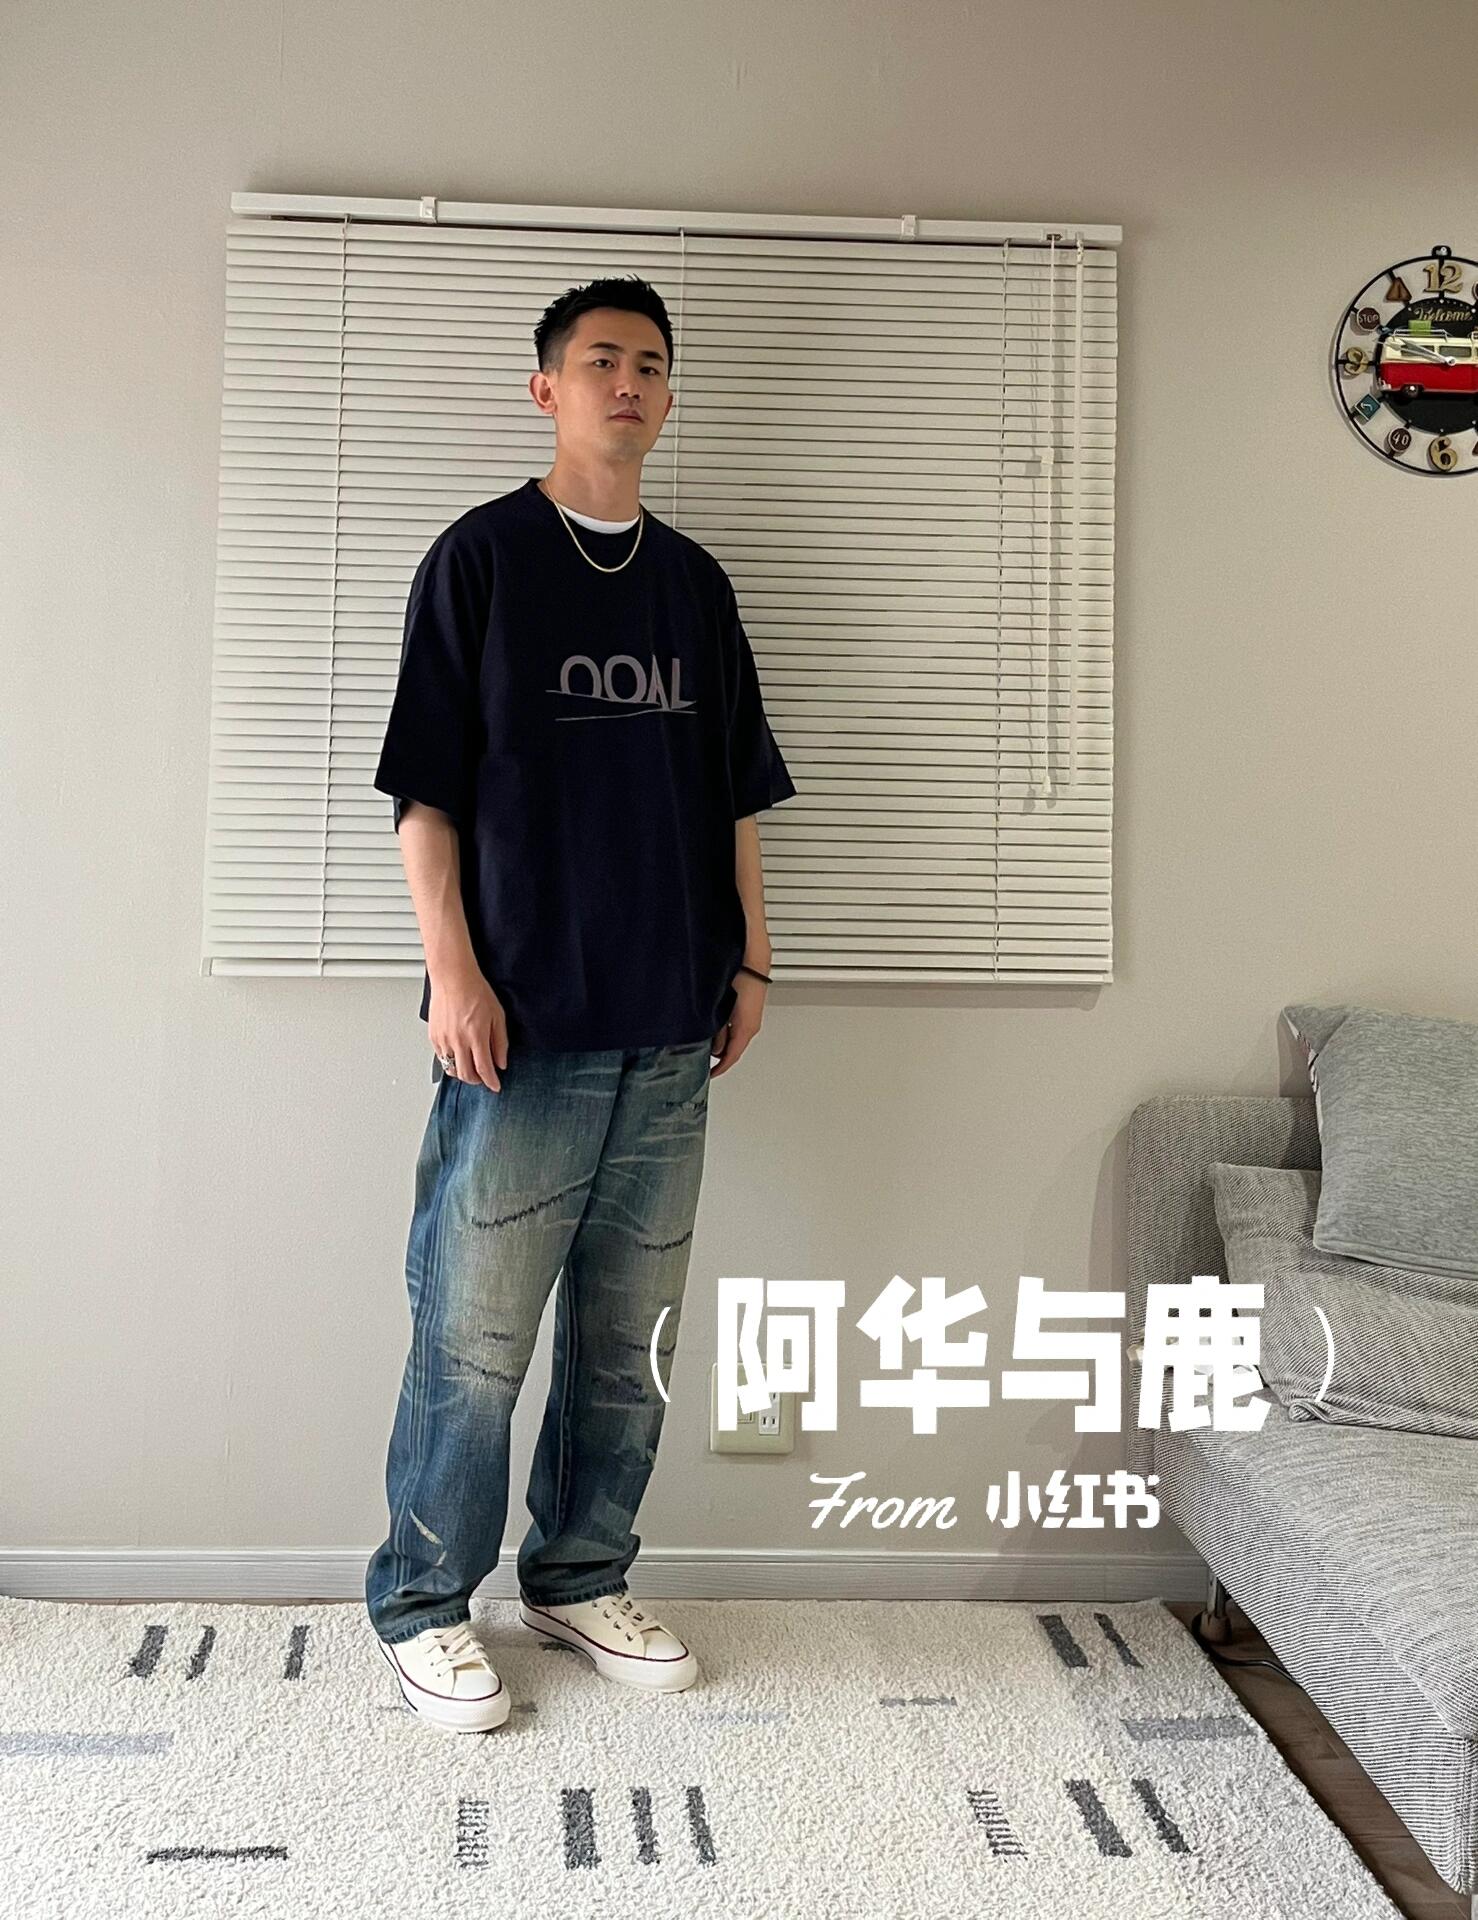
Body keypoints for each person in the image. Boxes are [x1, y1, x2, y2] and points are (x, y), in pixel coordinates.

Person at [363, 274, 797, 1733]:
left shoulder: (693, 585)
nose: (629, 383)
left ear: (668, 398)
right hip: (522, 1026)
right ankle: (424, 1600)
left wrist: (749, 962)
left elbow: (735, 795)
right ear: (545, 387)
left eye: (651, 365)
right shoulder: (481, 560)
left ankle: (579, 1574)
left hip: (672, 1024)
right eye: (602, 360)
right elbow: (425, 797)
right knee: (473, 1339)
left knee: (629, 1346)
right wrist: (453, 972)